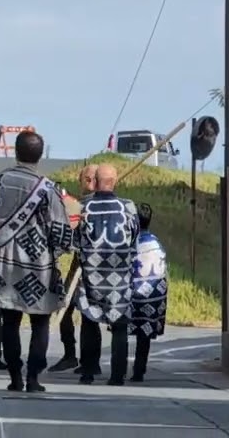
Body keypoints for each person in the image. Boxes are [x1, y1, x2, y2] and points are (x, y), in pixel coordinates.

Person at [0, 130, 73, 392]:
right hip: (39, 265)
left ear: (16, 151)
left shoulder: (1, 181)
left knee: (10, 321)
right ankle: (33, 378)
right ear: (41, 154)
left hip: (6, 261)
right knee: (40, 321)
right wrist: (60, 251)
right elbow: (59, 230)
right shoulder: (47, 188)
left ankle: (14, 376)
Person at [73, 164, 139, 386]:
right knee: (120, 326)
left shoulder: (83, 207)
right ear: (115, 180)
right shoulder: (128, 207)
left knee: (89, 320)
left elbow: (74, 241)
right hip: (119, 278)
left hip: (92, 275)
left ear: (95, 180)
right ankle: (117, 375)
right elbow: (134, 240)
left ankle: (89, 370)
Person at [50, 164, 97, 373]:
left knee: (89, 314)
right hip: (79, 261)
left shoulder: (95, 205)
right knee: (66, 307)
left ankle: (90, 361)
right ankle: (72, 355)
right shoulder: (84, 204)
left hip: (93, 267)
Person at [129, 202, 168, 382]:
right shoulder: (156, 242)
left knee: (121, 331)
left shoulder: (130, 241)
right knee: (144, 335)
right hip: (153, 296)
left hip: (131, 296)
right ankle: (139, 370)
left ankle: (119, 368)